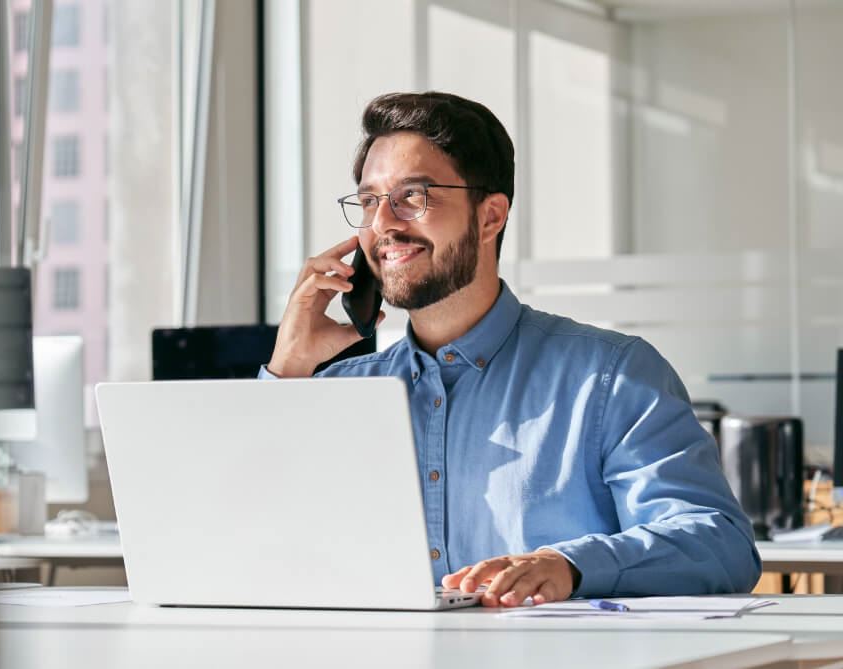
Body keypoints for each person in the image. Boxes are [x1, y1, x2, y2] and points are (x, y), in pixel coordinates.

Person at [263, 91, 761, 608]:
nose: (384, 224)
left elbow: (719, 542)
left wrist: (571, 566)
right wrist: (286, 368)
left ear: (490, 218)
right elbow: (244, 540)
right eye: (369, 201)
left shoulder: (611, 377)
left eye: (412, 196)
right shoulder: (334, 394)